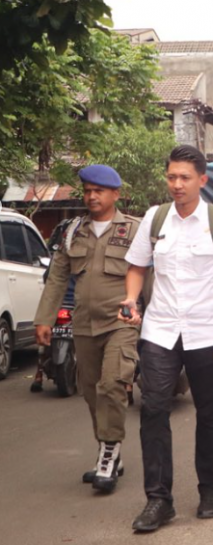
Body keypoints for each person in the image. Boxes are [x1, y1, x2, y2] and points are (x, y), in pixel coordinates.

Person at [120, 145, 213, 532]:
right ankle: (158, 500)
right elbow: (136, 267)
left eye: (185, 178)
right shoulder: (154, 218)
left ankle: (210, 489)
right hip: (160, 330)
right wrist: (131, 297)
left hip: (209, 332)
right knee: (154, 410)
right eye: (172, 177)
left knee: (210, 413)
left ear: (202, 181)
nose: (177, 185)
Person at [34, 165, 142, 493]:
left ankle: (108, 454)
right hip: (83, 324)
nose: (92, 196)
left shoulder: (134, 230)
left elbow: (148, 275)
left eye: (99, 190)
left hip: (120, 323)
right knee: (92, 391)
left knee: (112, 384)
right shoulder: (73, 232)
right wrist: (45, 318)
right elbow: (57, 276)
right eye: (88, 191)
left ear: (115, 194)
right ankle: (109, 450)